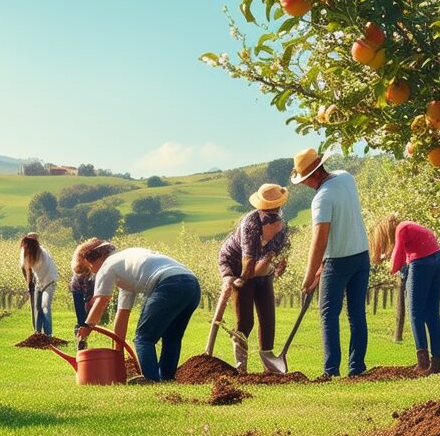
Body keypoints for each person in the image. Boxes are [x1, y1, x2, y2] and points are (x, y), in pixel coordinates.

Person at [73, 239, 200, 382]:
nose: (92, 273)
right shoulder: (125, 268)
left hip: (169, 284)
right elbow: (123, 314)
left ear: (95, 260)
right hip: (192, 286)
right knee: (172, 338)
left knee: (143, 338)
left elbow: (101, 301)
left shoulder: (107, 266)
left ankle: (151, 380)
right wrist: (117, 352)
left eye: (89, 268)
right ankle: (166, 380)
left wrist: (87, 327)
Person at [292, 146, 370, 377]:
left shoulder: (321, 199)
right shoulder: (346, 177)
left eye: (305, 179)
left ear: (314, 173)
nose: (305, 184)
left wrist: (308, 276)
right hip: (361, 256)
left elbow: (320, 241)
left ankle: (331, 371)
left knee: (328, 313)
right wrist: (319, 269)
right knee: (357, 314)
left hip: (338, 262)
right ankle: (357, 369)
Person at [216, 183, 290, 373]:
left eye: (276, 210)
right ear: (262, 208)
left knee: (268, 316)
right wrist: (238, 282)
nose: (273, 213)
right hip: (236, 264)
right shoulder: (250, 224)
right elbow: (247, 265)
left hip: (260, 267)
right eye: (268, 211)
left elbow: (277, 256)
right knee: (245, 321)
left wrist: (277, 265)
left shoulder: (282, 226)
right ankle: (241, 368)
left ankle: (269, 364)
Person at [370, 214, 440, 373]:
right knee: (432, 314)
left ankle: (423, 362)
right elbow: (404, 253)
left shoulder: (401, 229)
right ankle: (436, 363)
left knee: (415, 312)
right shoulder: (411, 226)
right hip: (438, 260)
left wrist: (392, 268)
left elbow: (397, 258)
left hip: (421, 264)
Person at [20, 233, 58, 336]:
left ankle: (48, 335)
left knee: (45, 306)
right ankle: (37, 333)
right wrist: (29, 284)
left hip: (49, 281)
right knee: (37, 308)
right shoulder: (28, 254)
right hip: (39, 282)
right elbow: (27, 270)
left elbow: (43, 273)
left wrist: (38, 285)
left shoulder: (42, 254)